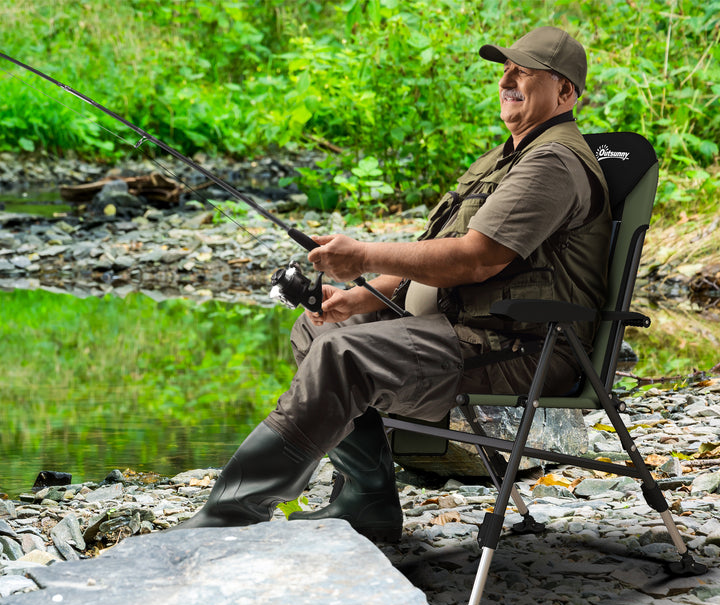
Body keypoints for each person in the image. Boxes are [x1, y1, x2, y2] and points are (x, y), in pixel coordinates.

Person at [176, 26, 611, 540]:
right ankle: (367, 502)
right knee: (317, 330)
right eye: (505, 68)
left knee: (346, 357)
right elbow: (431, 252)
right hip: (467, 330)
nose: (508, 79)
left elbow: (475, 260)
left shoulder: (553, 162)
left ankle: (228, 517)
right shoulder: (505, 158)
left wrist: (361, 254)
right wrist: (360, 296)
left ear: (565, 93)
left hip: (524, 349)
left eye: (526, 71)